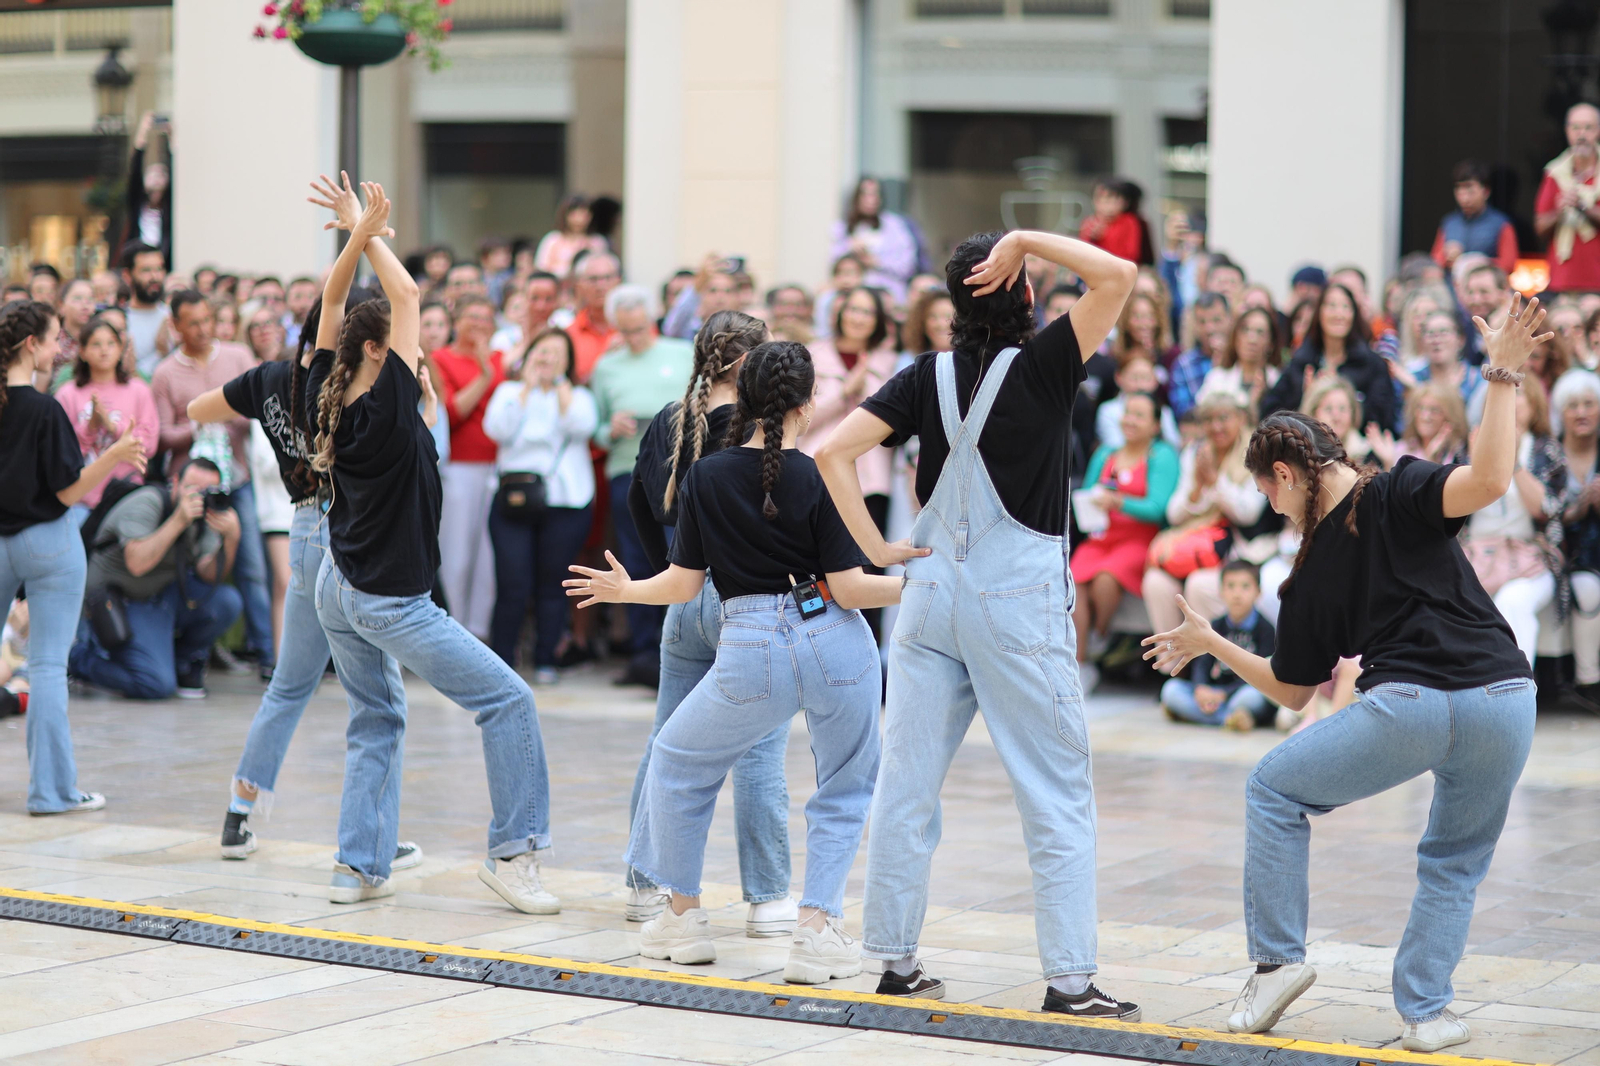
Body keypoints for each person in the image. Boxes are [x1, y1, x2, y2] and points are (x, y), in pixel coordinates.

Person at [1144, 295, 1551, 1053]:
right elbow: (1491, 479)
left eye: (1268, 488)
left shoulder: (1319, 560)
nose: (1270, 505)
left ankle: (1275, 964)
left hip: (1413, 706)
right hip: (1507, 700)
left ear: (1290, 470)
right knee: (1454, 862)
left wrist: (1501, 370)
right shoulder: (1398, 488)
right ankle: (1427, 1015)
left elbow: (1292, 691)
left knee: (1273, 789)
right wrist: (1212, 640)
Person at [816, 228, 1141, 1016]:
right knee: (1055, 790)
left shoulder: (923, 375)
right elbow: (1120, 274)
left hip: (927, 597)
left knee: (906, 787)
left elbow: (831, 454)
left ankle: (894, 961)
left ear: (955, 304)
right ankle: (1069, 981)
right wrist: (1027, 237)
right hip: (1016, 606)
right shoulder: (1048, 363)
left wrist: (873, 548)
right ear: (1024, 292)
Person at [569, 339, 897, 984]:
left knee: (676, 761)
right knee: (844, 786)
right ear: (807, 404)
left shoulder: (705, 476)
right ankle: (815, 929)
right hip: (836, 638)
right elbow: (854, 589)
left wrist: (627, 589)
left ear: (740, 401)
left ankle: (684, 917)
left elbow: (684, 585)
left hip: (751, 647)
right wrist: (932, 583)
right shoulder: (816, 473)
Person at [305, 179, 559, 913]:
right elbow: (409, 296)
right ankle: (515, 854)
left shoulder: (327, 381)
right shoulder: (385, 404)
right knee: (510, 702)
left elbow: (331, 306)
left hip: (339, 586)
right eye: (414, 353)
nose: (427, 363)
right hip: (388, 598)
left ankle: (357, 867)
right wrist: (372, 233)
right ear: (381, 352)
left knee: (377, 718)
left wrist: (353, 238)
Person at [185, 175, 426, 870]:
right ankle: (379, 836)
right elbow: (338, 300)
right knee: (377, 693)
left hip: (301, 527)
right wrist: (362, 232)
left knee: (294, 684)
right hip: (350, 531)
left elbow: (199, 412)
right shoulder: (337, 383)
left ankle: (239, 811)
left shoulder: (265, 382)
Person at [621, 310, 798, 935]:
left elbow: (637, 502)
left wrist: (668, 574)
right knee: (757, 750)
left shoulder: (670, 420)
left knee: (667, 742)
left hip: (683, 596)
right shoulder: (761, 428)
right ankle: (769, 899)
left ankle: (646, 885)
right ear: (749, 363)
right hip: (745, 603)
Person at [2, 299, 147, 812]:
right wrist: (113, 455)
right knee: (45, 667)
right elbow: (65, 493)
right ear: (31, 345)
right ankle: (50, 792)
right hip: (48, 542)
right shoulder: (45, 409)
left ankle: (54, 790)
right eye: (56, 336)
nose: (63, 346)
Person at [149, 290, 276, 676]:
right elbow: (162, 436)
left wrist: (232, 413)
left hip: (237, 479)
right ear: (176, 325)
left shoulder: (237, 356)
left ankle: (268, 654)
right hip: (190, 485)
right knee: (190, 563)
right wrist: (197, 424)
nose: (203, 329)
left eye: (208, 320)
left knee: (252, 565)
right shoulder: (166, 373)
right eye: (193, 323)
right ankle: (196, 650)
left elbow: (262, 405)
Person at [70, 457, 244, 700]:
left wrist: (231, 538)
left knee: (227, 601)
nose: (199, 498)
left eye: (207, 491)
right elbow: (137, 564)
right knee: (156, 685)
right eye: (192, 489)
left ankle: (182, 663)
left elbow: (208, 575)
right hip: (118, 599)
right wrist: (178, 521)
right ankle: (79, 660)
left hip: (159, 597)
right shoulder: (148, 502)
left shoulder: (204, 516)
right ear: (175, 483)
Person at [589, 285, 694, 686]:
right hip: (626, 468)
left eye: (640, 328)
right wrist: (608, 428)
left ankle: (681, 648)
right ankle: (643, 654)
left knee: (677, 556)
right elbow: (596, 428)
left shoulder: (680, 353)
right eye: (626, 331)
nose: (634, 337)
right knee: (634, 558)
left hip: (677, 468)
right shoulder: (606, 367)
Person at [483, 328, 598, 680]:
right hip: (514, 500)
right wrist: (527, 389)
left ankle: (546, 658)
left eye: (555, 353)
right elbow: (497, 430)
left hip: (567, 500)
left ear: (568, 361)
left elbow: (582, 427)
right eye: (541, 351)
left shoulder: (577, 395)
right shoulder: (509, 391)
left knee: (553, 583)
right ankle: (501, 658)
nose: (546, 358)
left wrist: (561, 390)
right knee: (512, 582)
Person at [801, 286, 900, 635]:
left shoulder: (889, 361)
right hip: (818, 473)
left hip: (870, 479)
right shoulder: (814, 354)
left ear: (878, 321)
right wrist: (845, 391)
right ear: (840, 313)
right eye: (853, 309)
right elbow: (804, 419)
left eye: (867, 312)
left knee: (869, 565)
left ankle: (868, 647)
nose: (858, 318)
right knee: (820, 565)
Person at [1072, 391, 1180, 691]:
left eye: (1139, 415)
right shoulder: (1106, 453)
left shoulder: (1162, 455)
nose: (1130, 420)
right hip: (1101, 537)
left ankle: (1100, 635)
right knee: (1074, 580)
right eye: (1127, 413)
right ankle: (1079, 663)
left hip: (1138, 539)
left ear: (1156, 425)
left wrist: (1119, 502)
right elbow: (1089, 493)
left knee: (1107, 578)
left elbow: (1158, 507)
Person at [1142, 388, 1272, 637]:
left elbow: (1248, 513)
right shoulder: (1196, 452)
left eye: (1224, 418)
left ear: (1241, 419)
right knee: (1155, 583)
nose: (1216, 426)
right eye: (1210, 419)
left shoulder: (1257, 453)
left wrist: (1215, 481)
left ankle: (1211, 668)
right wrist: (1198, 489)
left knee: (1199, 585)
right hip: (1197, 541)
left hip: (1239, 548)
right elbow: (1174, 514)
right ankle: (1174, 666)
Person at [1459, 377, 1567, 667]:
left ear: (1534, 405)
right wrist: (1474, 461)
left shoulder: (1547, 451)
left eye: (1518, 395)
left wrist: (1515, 462)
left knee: (1514, 601)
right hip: (1476, 558)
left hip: (1530, 560)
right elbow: (1455, 510)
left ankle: (1518, 691)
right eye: (1503, 396)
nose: (1511, 402)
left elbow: (1545, 511)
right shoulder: (1469, 446)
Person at [431, 295, 505, 640]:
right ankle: (452, 627)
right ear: (455, 322)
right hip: (459, 467)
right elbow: (453, 411)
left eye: (485, 317)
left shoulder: (504, 359)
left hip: (497, 467)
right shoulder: (441, 359)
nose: (478, 323)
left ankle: (479, 630)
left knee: (488, 557)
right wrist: (485, 375)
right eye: (471, 316)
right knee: (456, 552)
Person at [52, 316, 159, 521]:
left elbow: (150, 445)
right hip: (80, 500)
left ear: (121, 349)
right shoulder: (68, 394)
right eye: (96, 344)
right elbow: (63, 452)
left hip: (127, 495)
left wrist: (112, 426)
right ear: (82, 352)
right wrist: (91, 426)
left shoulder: (139, 390)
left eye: (111, 343)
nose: (104, 350)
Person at [1261, 282, 1397, 435]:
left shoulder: (1372, 364)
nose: (1339, 314)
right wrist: (1308, 397)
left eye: (1345, 307)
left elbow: (1384, 418)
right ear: (1319, 313)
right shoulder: (1301, 361)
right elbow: (1270, 412)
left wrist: (1346, 402)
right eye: (1331, 306)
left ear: (1354, 314)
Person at [1159, 560, 1275, 731]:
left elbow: (1264, 676)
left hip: (1241, 692)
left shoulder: (1265, 630)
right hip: (1216, 691)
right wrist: (1201, 689)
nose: (1237, 594)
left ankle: (1197, 715)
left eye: (1245, 587)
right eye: (1230, 586)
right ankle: (1230, 719)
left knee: (1251, 698)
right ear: (1221, 592)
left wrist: (1223, 694)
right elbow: (1202, 663)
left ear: (1258, 592)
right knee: (1170, 690)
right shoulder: (1215, 626)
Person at [1556, 369, 1600, 709]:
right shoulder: (1550, 453)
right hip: (1563, 555)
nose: (1582, 412)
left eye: (1589, 404)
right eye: (1573, 405)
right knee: (1586, 588)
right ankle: (1588, 681)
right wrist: (1577, 508)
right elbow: (1544, 511)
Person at [1536, 103, 1600, 294]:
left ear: (1598, 131)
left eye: (1588, 127)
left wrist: (1583, 208)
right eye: (1576, 127)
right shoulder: (1554, 172)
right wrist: (1560, 211)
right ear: (1567, 131)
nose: (1582, 135)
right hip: (1561, 283)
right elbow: (1540, 227)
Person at [830, 177, 921, 301]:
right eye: (865, 194)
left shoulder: (895, 226)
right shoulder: (843, 228)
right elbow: (833, 266)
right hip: (853, 297)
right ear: (856, 198)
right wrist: (849, 249)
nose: (870, 200)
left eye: (875, 194)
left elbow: (908, 266)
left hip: (889, 296)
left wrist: (876, 262)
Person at [1432, 160, 1518, 274]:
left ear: (1486, 191)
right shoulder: (1449, 223)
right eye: (1459, 191)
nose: (1464, 199)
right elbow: (1434, 262)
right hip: (1451, 289)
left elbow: (1509, 265)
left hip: (1484, 288)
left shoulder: (1501, 224)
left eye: (1470, 191)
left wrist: (1471, 261)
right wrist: (1446, 255)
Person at [1202, 307, 1282, 415]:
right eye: (1245, 330)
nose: (1252, 339)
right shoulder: (1217, 378)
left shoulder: (1278, 381)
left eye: (1260, 332)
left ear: (1271, 344)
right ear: (1236, 337)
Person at [1167, 292, 1232, 420]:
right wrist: (1214, 374)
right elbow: (1185, 416)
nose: (1209, 329)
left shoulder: (1243, 358)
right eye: (1202, 322)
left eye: (1216, 320)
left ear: (1229, 320)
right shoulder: (1184, 365)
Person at [124, 112, 172, 268]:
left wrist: (171, 138)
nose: (157, 177)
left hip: (165, 260)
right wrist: (143, 132)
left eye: (162, 173)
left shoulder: (170, 206)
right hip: (139, 259)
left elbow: (175, 169)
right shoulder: (138, 204)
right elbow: (135, 173)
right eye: (152, 173)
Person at [566, 251, 621, 384]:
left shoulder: (636, 328)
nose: (601, 286)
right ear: (579, 286)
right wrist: (604, 361)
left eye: (608, 278)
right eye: (593, 279)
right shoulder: (569, 335)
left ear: (618, 281)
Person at [122, 243, 170, 378]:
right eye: (146, 270)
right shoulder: (119, 320)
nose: (155, 277)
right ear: (127, 275)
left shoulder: (173, 316)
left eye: (159, 269)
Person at [534, 194, 608, 279]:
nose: (579, 219)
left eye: (584, 214)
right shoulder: (553, 240)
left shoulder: (597, 242)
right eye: (575, 214)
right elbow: (542, 269)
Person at [1078, 179, 1146, 264]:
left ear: (1125, 203)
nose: (1109, 206)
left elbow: (1132, 254)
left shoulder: (1129, 222)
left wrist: (1104, 237)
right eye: (1103, 200)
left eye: (1114, 201)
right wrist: (1093, 238)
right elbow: (1083, 252)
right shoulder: (1089, 222)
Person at [491, 271, 559, 355]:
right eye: (535, 298)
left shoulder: (564, 336)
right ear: (523, 298)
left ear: (557, 301)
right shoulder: (504, 339)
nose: (541, 307)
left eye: (548, 299)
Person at [50, 278, 96, 384]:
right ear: (61, 305)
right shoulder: (52, 339)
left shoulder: (100, 339)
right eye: (77, 299)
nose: (85, 305)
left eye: (90, 299)